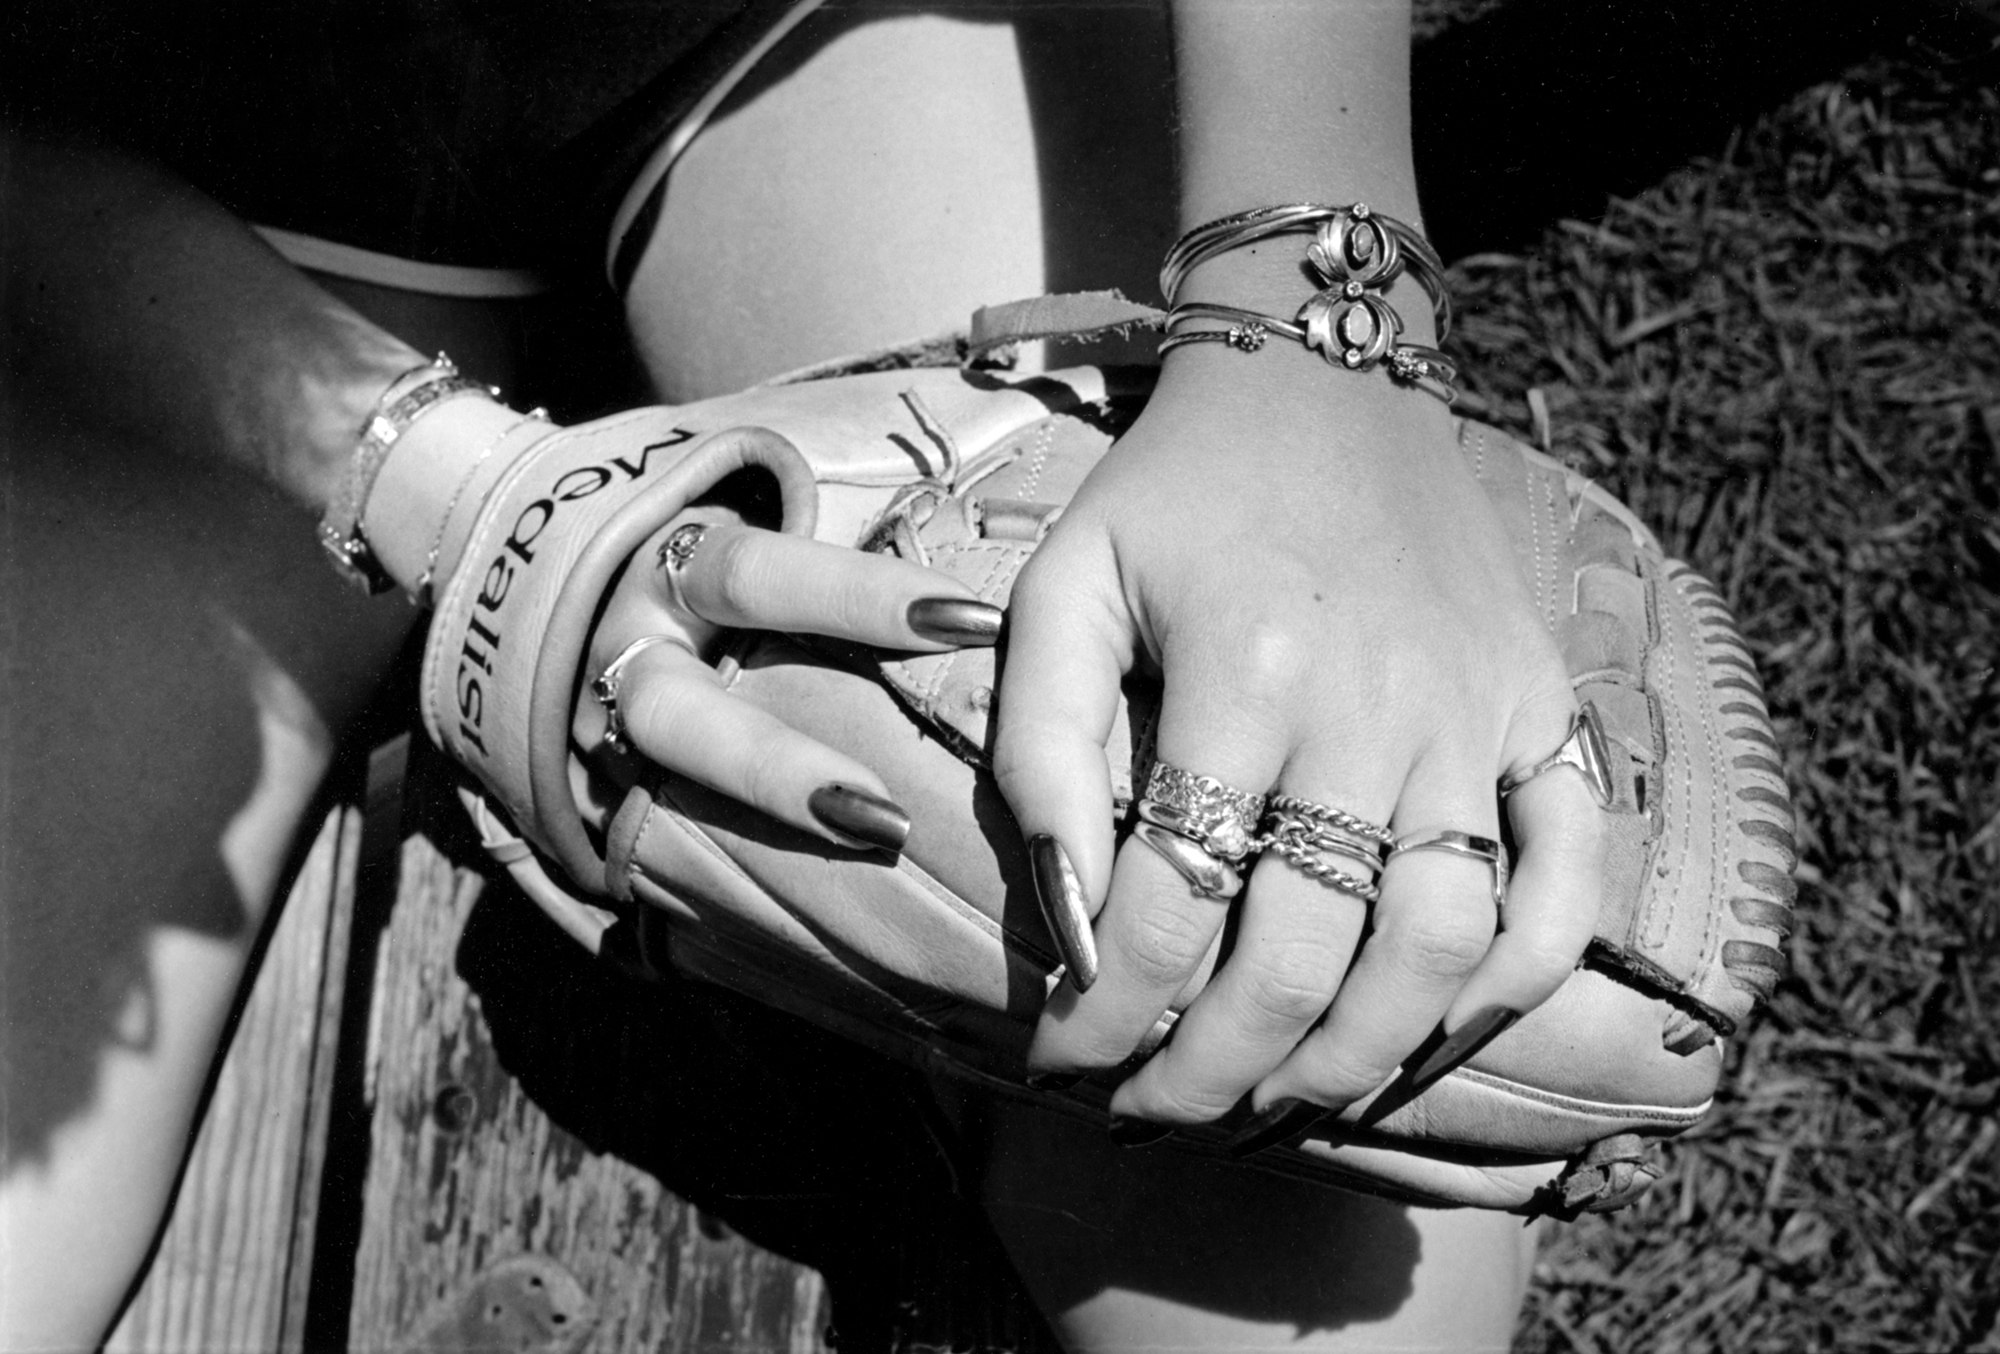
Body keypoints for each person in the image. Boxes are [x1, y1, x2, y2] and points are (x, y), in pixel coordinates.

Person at [1, 1, 1601, 1347]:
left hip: (791, 34)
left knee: (1331, 1257)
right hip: (123, 162)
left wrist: (1314, 315)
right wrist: (467, 507)